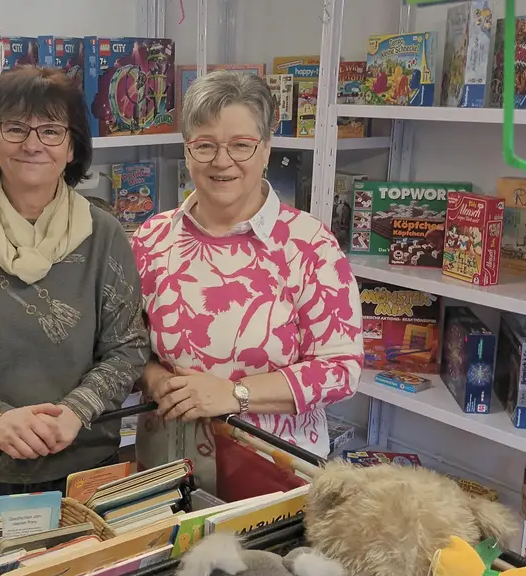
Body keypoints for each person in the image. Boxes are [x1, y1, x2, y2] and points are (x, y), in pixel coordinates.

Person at [0, 67, 148, 522]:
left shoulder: (105, 235)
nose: (33, 143)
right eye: (16, 128)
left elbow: (128, 347)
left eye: (52, 130)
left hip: (85, 461)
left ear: (73, 146)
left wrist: (77, 412)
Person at [131, 70, 360, 469]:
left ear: (267, 149)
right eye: (205, 145)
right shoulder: (152, 238)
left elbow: (341, 370)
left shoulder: (309, 244)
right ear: (186, 152)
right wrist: (156, 381)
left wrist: (234, 394)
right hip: (165, 462)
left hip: (274, 465)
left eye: (241, 145)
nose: (222, 161)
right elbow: (124, 343)